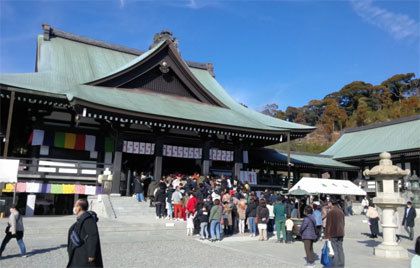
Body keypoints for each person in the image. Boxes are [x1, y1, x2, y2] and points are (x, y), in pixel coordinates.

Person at [67, 199, 102, 267]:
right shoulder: (81, 218)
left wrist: (91, 254)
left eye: (75, 206)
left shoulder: (88, 219)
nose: (74, 207)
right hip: (79, 250)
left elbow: (93, 235)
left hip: (84, 252)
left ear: (79, 207)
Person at [325, 198, 345, 267]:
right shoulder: (341, 211)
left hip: (334, 233)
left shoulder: (331, 212)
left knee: (335, 251)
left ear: (331, 203)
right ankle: (341, 265)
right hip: (341, 233)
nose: (328, 204)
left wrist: (327, 236)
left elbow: (328, 225)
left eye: (328, 203)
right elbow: (343, 223)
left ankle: (335, 266)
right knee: (340, 250)